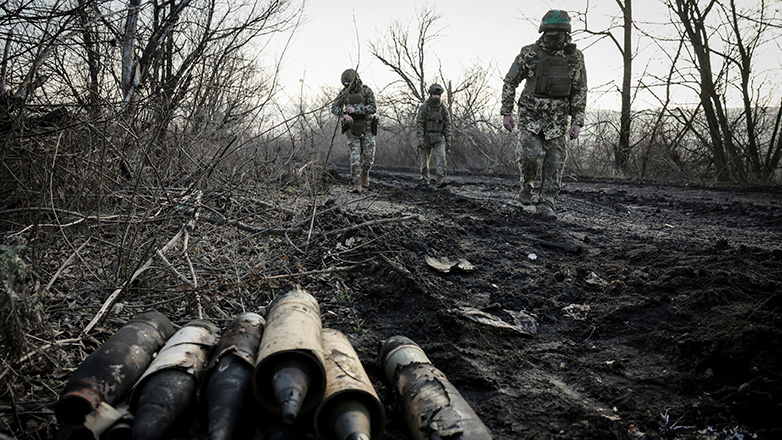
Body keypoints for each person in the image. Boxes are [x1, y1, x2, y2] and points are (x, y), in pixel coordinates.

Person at [501, 9, 587, 219]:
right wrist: (506, 112)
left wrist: (577, 121)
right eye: (549, 30)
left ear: (566, 32)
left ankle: (547, 203)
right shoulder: (529, 53)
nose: (553, 34)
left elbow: (580, 90)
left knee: (555, 162)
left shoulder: (575, 57)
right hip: (531, 116)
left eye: (557, 31)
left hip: (558, 120)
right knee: (530, 156)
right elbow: (510, 81)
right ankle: (526, 187)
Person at [331, 68, 377, 193]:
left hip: (367, 126)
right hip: (352, 128)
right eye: (345, 85)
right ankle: (357, 182)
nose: (347, 87)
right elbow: (334, 107)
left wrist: (357, 110)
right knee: (354, 158)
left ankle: (365, 173)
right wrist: (344, 114)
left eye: (349, 84)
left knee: (368, 157)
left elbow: (373, 108)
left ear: (355, 81)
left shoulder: (366, 91)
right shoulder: (344, 93)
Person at [415, 83, 452, 188]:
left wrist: (448, 139)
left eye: (438, 95)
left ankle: (440, 180)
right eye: (434, 94)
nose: (436, 97)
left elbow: (447, 125)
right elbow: (419, 124)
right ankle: (424, 180)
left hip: (439, 138)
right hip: (426, 138)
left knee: (441, 159)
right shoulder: (424, 107)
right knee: (424, 162)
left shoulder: (443, 109)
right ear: (430, 94)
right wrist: (420, 139)